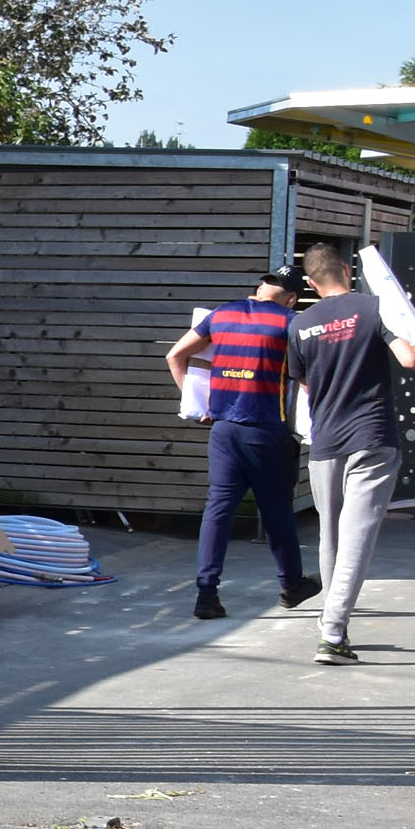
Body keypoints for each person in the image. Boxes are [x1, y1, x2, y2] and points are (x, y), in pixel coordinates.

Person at [283, 238, 415, 665]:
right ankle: (333, 634)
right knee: (357, 538)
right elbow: (410, 358)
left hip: (325, 442)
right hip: (371, 437)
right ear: (347, 271)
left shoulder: (299, 326)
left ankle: (332, 623)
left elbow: (306, 385)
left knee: (331, 536)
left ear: (311, 284)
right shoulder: (373, 307)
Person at [164, 265, 320, 623]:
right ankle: (292, 585)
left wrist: (196, 404)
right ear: (291, 298)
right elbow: (307, 380)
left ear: (261, 287)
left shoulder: (221, 315)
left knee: (218, 511)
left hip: (223, 431)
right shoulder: (290, 323)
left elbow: (175, 356)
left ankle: (206, 594)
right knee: (277, 512)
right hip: (266, 432)